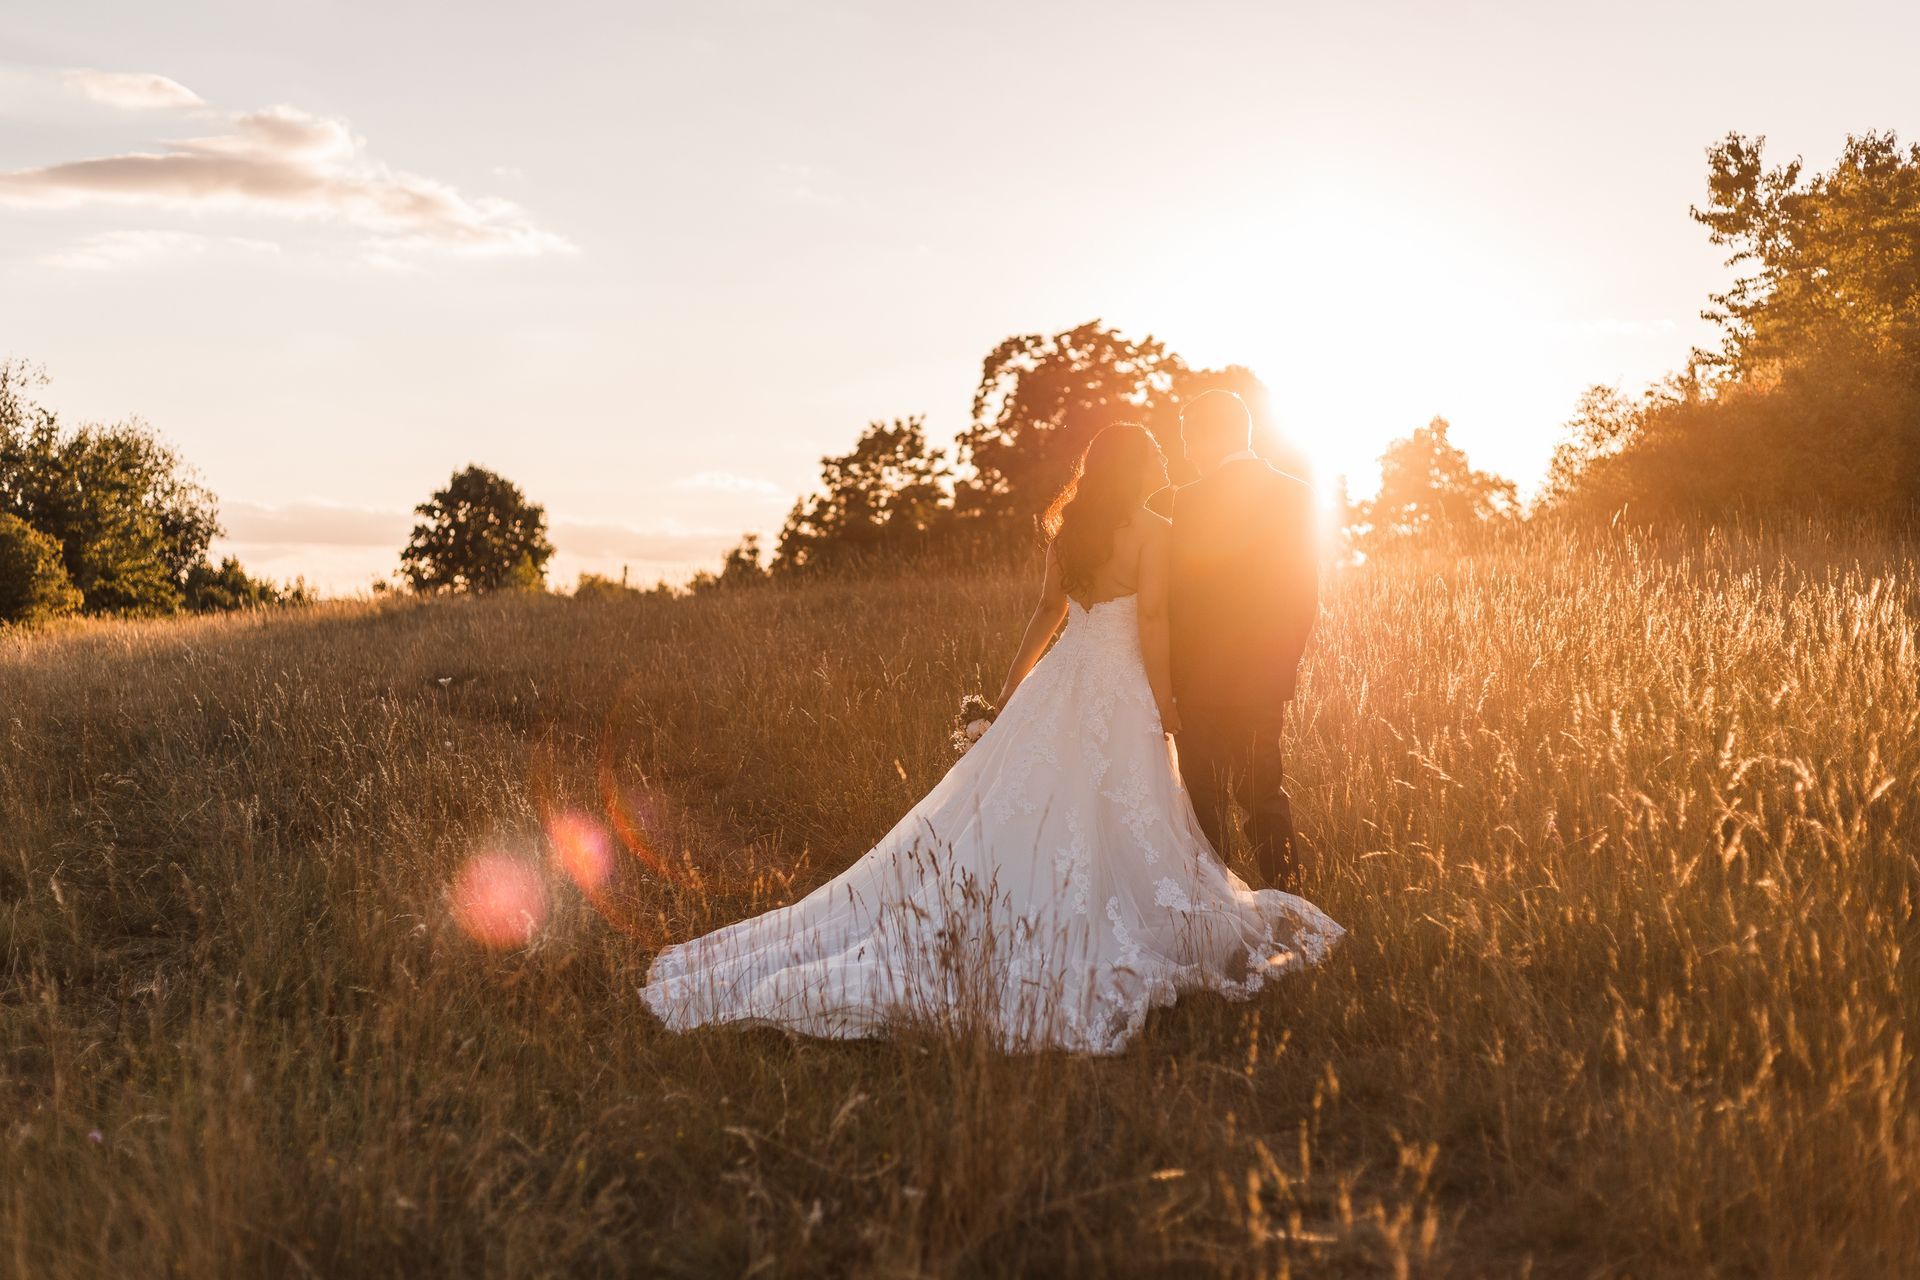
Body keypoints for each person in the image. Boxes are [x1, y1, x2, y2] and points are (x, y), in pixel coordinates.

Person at [640, 423, 1341, 1054]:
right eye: (1155, 458)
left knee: (1032, 804)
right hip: (1124, 685)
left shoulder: (1069, 531)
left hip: (1064, 677)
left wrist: (1010, 698)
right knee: (1120, 804)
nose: (1163, 465)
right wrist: (1166, 703)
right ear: (1140, 470)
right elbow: (1153, 619)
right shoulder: (1152, 528)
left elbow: (1045, 612)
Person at [1166, 390, 1319, 890]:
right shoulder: (1296, 493)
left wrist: (1174, 679)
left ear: (1214, 435)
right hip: (1263, 681)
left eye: (1190, 438)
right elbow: (1304, 593)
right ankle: (1290, 902)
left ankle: (1216, 910)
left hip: (1199, 685)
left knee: (1204, 799)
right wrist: (1280, 668)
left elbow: (1178, 599)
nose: (1186, 451)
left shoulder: (1187, 500)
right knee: (1262, 793)